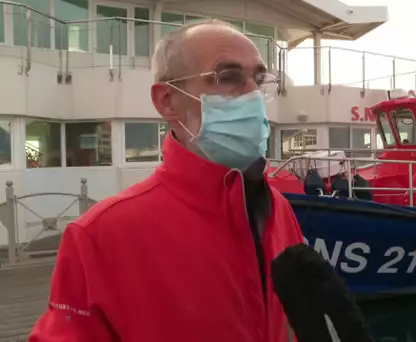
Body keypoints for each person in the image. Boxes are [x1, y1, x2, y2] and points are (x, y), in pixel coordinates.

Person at [30, 19, 304, 342]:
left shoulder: (278, 208)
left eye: (259, 79)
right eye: (228, 77)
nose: (253, 95)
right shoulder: (100, 235)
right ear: (167, 101)